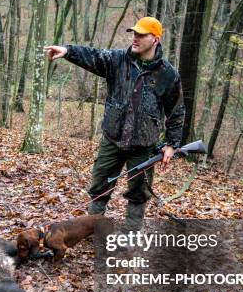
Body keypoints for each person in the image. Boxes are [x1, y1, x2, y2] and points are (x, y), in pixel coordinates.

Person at [45, 16, 185, 230]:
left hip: (144, 145)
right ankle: (92, 227)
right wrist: (68, 51)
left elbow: (176, 111)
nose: (135, 38)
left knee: (139, 193)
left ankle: (131, 233)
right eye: (134, 34)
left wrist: (171, 144)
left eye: (141, 35)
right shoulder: (117, 60)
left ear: (155, 39)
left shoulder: (168, 74)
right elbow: (93, 56)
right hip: (112, 139)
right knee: (100, 185)